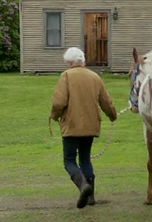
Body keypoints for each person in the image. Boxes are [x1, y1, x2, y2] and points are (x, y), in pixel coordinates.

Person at [49, 47, 117, 209]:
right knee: (85, 158)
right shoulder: (95, 77)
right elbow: (106, 102)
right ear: (82, 61)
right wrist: (112, 116)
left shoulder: (66, 76)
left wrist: (54, 116)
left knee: (69, 160)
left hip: (71, 126)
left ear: (71, 62)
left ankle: (82, 186)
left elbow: (58, 102)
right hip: (91, 125)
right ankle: (91, 195)